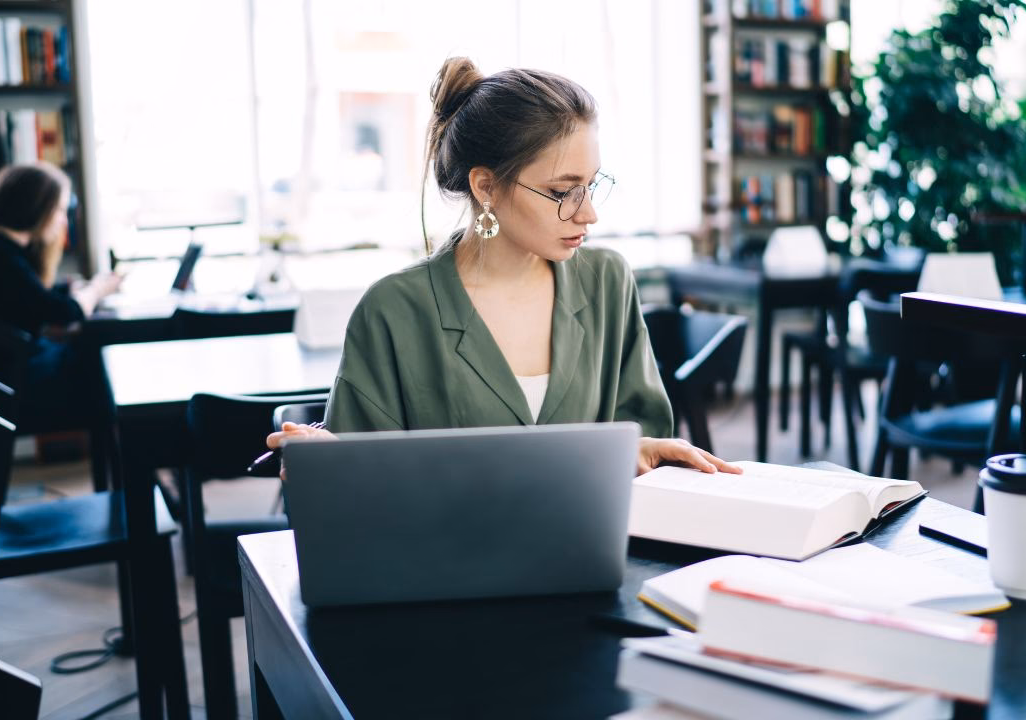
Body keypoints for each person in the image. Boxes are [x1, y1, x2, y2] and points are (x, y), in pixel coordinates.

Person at [268, 57, 740, 477]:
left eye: (591, 185)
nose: (588, 213)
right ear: (486, 187)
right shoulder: (394, 309)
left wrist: (644, 452)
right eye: (562, 192)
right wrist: (325, 465)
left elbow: (647, 437)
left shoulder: (607, 282)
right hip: (446, 550)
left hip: (590, 545)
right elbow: (360, 485)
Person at [0, 162, 123, 424]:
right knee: (97, 350)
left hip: (10, 377)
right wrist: (98, 289)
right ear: (36, 208)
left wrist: (72, 291)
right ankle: (128, 440)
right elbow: (64, 313)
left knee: (94, 348)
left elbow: (31, 300)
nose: (63, 220)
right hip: (17, 385)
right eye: (60, 210)